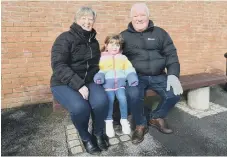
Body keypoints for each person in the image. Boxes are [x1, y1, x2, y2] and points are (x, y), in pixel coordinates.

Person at [121, 3, 183, 144]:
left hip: (158, 75)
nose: (139, 18)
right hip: (135, 76)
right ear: (131, 18)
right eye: (135, 15)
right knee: (133, 95)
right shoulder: (123, 36)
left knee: (175, 94)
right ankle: (141, 124)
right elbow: (115, 57)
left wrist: (173, 74)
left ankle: (156, 116)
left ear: (148, 16)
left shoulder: (160, 33)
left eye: (142, 15)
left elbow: (171, 54)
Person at [50, 7, 109, 155]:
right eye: (84, 18)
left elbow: (94, 66)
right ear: (77, 19)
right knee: (80, 108)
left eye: (90, 19)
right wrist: (79, 85)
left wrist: (102, 76)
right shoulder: (64, 38)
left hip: (89, 80)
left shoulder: (94, 42)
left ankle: (97, 132)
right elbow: (59, 65)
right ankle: (86, 137)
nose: (87, 21)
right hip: (63, 82)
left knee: (101, 101)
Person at [94, 34, 138, 138]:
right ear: (106, 45)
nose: (115, 47)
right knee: (110, 101)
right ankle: (108, 122)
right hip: (108, 86)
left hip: (120, 85)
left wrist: (132, 77)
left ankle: (124, 120)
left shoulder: (123, 58)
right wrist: (99, 76)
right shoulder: (102, 58)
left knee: (123, 99)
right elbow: (101, 70)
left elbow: (129, 69)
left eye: (117, 45)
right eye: (112, 44)